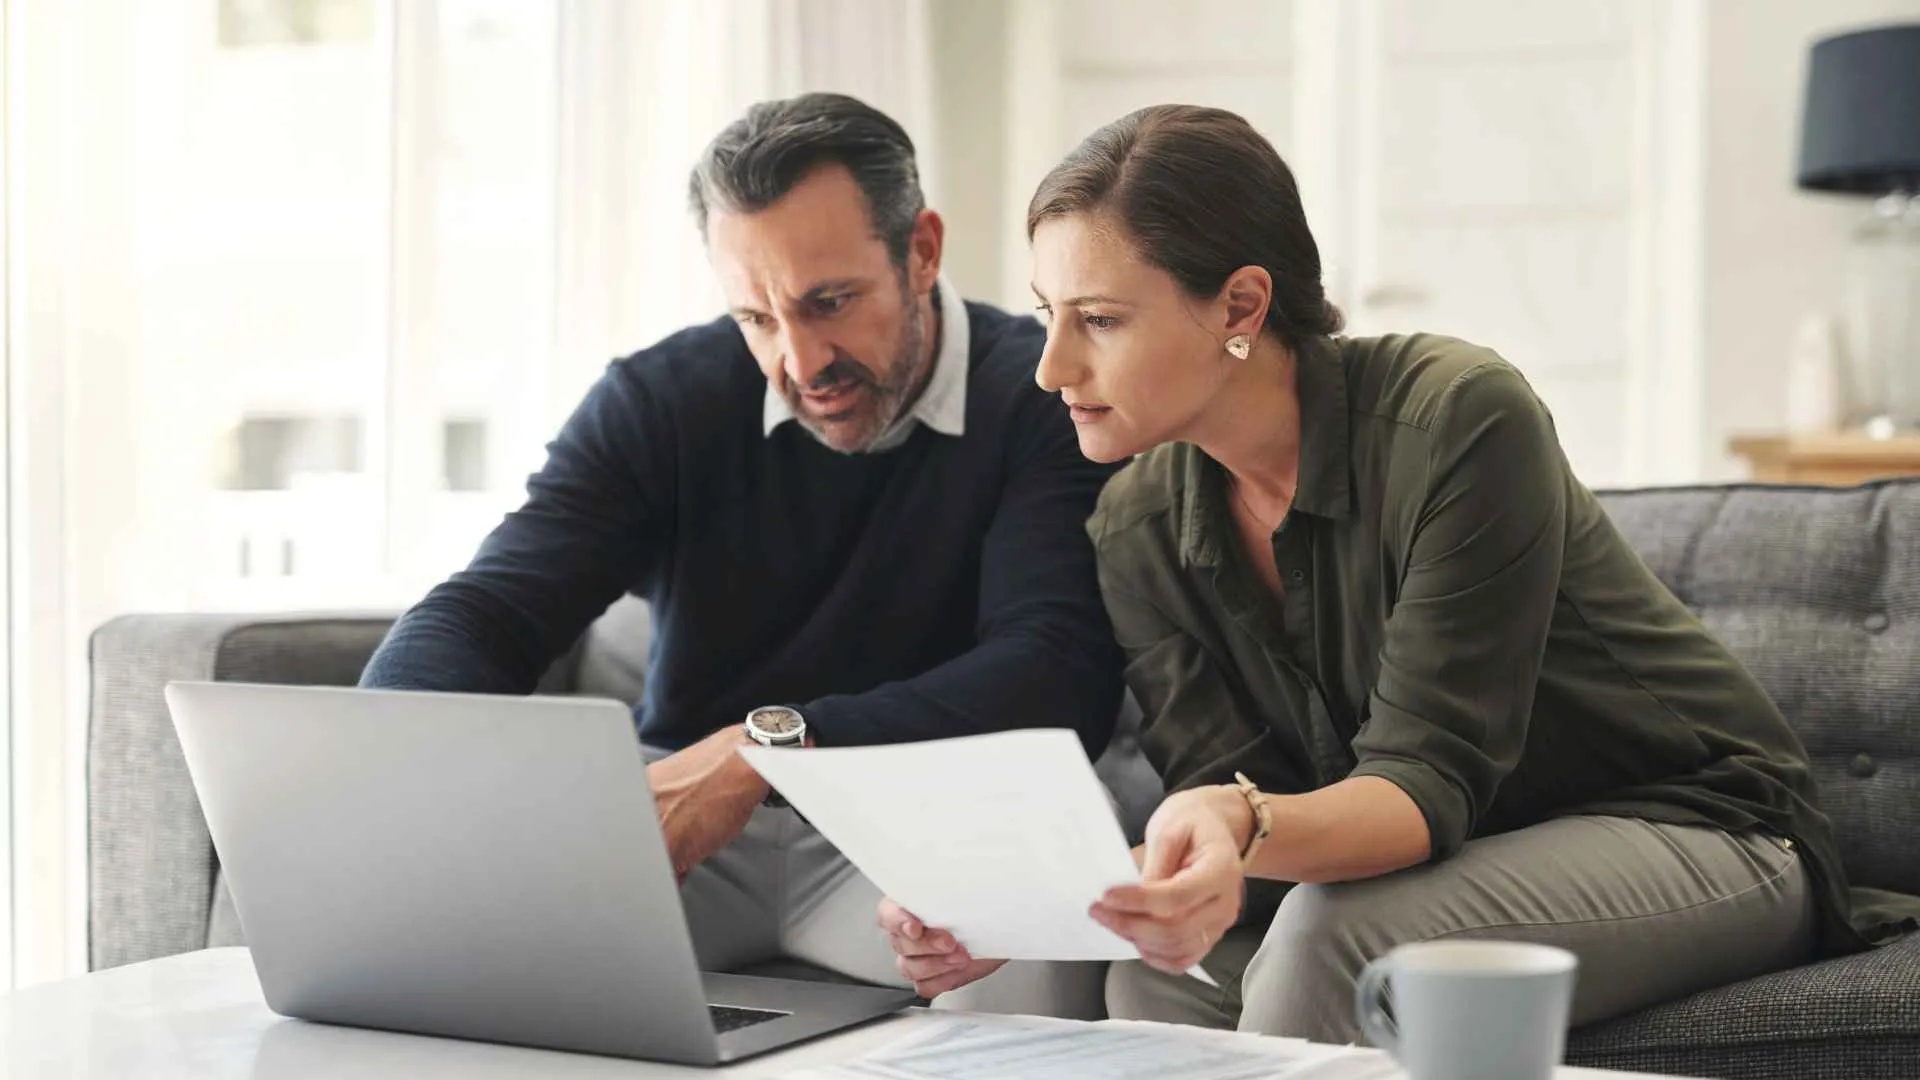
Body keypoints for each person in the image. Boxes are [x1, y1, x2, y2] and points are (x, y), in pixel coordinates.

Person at [878, 103, 1920, 1042]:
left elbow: (1420, 786)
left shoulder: (1457, 417)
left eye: (1098, 319)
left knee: (1336, 936)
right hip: (1448, 863)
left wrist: (1239, 825)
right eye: (1046, 313)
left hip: (1698, 828)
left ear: (1241, 306)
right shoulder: (1139, 523)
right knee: (1163, 984)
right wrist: (1066, 904)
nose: (1052, 366)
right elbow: (1231, 793)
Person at [361, 92, 1124, 1014]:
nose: (800, 363)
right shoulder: (660, 402)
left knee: (1032, 969)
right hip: (683, 831)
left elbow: (1053, 674)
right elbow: (490, 610)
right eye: (756, 318)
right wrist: (388, 761)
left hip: (925, 831)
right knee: (438, 958)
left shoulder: (1040, 397)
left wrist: (765, 750)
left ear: (921, 250)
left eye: (829, 303)